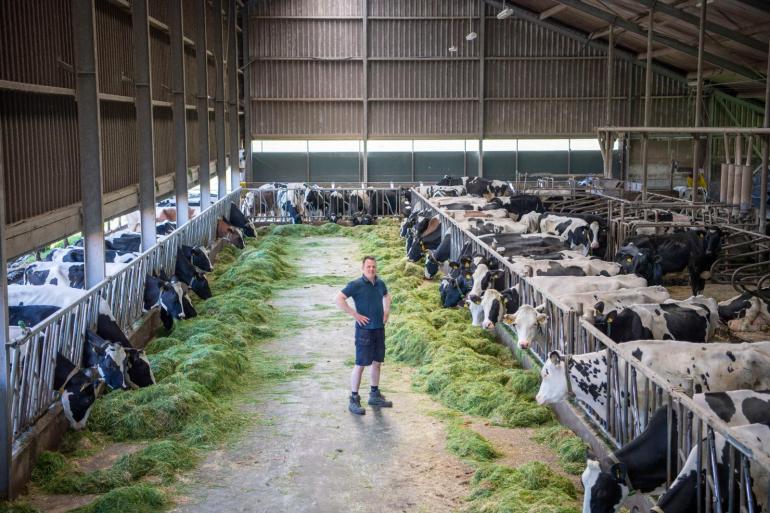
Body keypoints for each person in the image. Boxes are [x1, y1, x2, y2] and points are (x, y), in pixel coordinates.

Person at [335, 255, 393, 415]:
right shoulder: (356, 284)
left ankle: (374, 394)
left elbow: (387, 296)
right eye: (368, 267)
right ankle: (353, 399)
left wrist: (386, 311)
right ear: (363, 268)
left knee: (377, 362)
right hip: (364, 331)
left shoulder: (380, 283)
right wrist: (354, 314)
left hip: (379, 329)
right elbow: (339, 298)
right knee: (360, 364)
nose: (372, 269)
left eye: (374, 266)